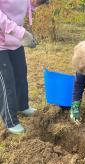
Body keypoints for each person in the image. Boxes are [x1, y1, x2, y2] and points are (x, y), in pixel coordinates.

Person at [0, 0, 50, 134]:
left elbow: (23, 5)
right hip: (1, 44)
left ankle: (22, 106)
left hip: (15, 42)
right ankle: (10, 121)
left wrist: (34, 4)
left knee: (21, 75)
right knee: (7, 82)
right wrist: (21, 33)